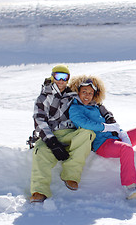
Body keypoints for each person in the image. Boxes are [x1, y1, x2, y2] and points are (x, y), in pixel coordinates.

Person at [29, 65, 96, 203]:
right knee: (40, 151)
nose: (61, 80)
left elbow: (90, 100)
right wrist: (52, 142)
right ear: (52, 77)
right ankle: (39, 190)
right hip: (50, 134)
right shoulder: (43, 97)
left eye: (64, 77)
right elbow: (39, 120)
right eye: (58, 76)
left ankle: (70, 175)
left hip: (69, 133)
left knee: (88, 134)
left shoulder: (72, 95)